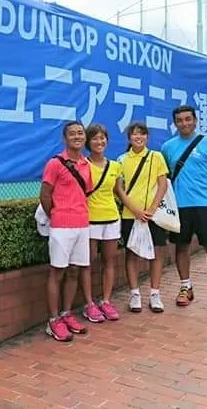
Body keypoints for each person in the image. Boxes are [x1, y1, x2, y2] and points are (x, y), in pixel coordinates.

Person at [161, 105, 207, 310]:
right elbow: (163, 177)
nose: (184, 123)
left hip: (205, 204)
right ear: (175, 123)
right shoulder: (167, 147)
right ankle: (186, 287)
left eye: (188, 119)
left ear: (195, 120)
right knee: (181, 247)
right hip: (179, 207)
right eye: (179, 120)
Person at [82, 123, 143, 322]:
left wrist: (136, 210)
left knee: (109, 262)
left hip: (111, 219)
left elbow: (120, 192)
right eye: (95, 138)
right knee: (87, 263)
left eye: (103, 138)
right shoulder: (82, 165)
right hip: (89, 221)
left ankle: (106, 301)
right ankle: (89, 304)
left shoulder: (115, 166)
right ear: (88, 142)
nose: (99, 142)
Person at [39, 121, 94, 342]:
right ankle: (53, 321)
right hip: (61, 226)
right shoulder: (54, 163)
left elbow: (85, 193)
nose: (77, 137)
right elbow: (45, 195)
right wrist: (56, 215)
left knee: (74, 271)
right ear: (65, 138)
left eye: (80, 133)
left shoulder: (86, 164)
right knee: (57, 272)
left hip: (82, 225)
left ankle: (66, 313)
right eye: (72, 134)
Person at [118, 121, 171, 313]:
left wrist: (152, 209)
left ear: (147, 137)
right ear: (129, 138)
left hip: (153, 216)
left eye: (142, 134)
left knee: (156, 253)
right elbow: (119, 189)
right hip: (129, 215)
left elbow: (163, 184)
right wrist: (136, 211)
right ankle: (135, 294)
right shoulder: (121, 160)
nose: (138, 137)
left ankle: (155, 294)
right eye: (134, 134)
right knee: (131, 253)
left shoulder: (156, 157)